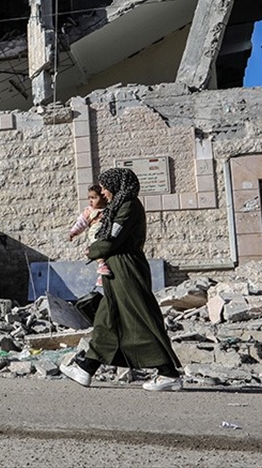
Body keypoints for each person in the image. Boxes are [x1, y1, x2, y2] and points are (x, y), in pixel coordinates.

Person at [60, 168, 183, 392]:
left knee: (138, 316)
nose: (104, 192)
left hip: (127, 268)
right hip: (115, 269)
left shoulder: (129, 206)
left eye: (106, 187)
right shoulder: (119, 205)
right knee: (107, 319)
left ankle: (168, 373)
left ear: (117, 185)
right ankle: (86, 368)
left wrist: (92, 250)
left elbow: (112, 239)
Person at [69, 185, 112, 286]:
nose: (90, 201)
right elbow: (81, 223)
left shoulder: (109, 209)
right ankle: (101, 264)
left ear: (103, 197)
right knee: (99, 249)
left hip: (106, 233)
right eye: (89, 198)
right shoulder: (88, 211)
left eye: (94, 198)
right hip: (95, 233)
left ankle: (102, 276)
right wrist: (73, 232)